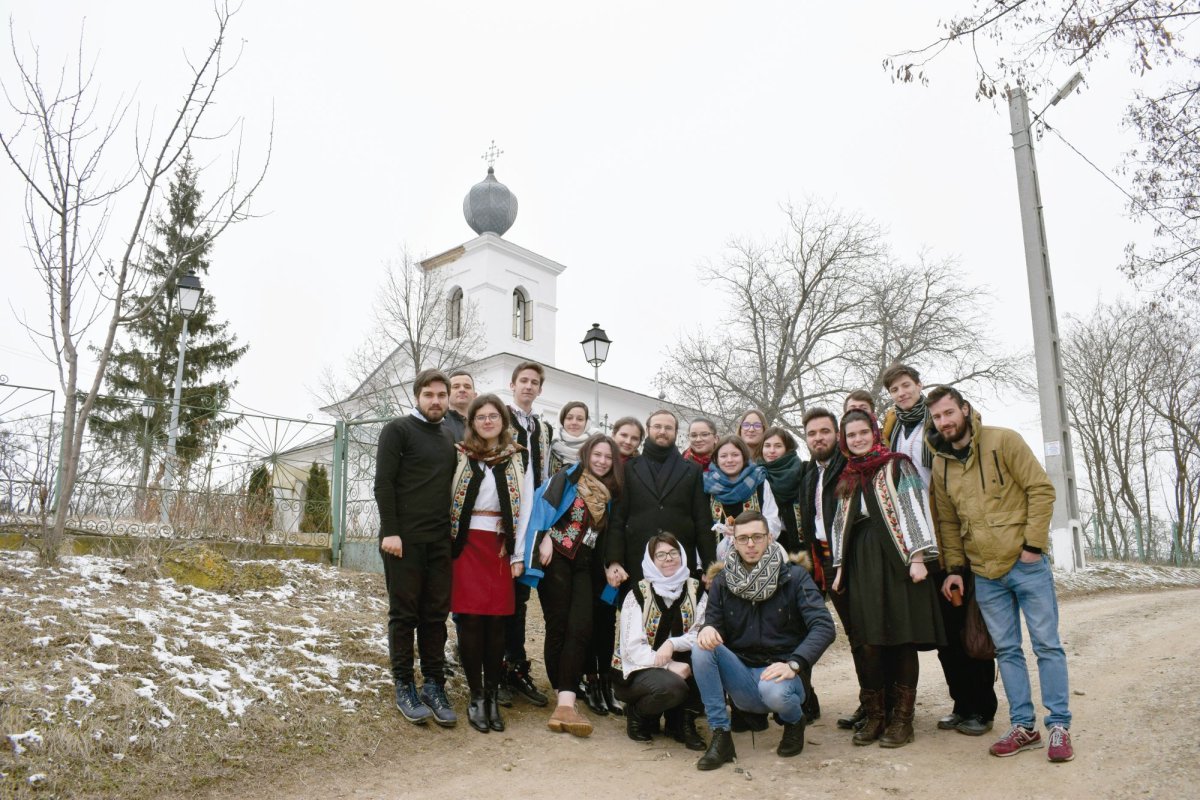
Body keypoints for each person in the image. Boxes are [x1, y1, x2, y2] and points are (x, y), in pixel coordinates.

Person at [929, 386, 1074, 763]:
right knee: (1007, 651)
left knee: (1046, 645)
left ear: (965, 409)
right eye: (937, 417)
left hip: (1025, 566)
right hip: (984, 573)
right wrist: (956, 570)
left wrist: (1033, 547)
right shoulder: (941, 463)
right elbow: (947, 521)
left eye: (948, 413)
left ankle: (1059, 726)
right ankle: (1024, 726)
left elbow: (1041, 490)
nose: (944, 422)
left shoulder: (1003, 441)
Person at [882, 364, 997, 737]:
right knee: (945, 633)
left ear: (918, 385)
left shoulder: (939, 424)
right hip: (918, 539)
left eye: (906, 385)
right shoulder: (894, 428)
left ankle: (982, 707)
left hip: (951, 532)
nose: (902, 393)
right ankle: (961, 704)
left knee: (967, 628)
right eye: (895, 389)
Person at [829, 410, 944, 748]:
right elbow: (840, 524)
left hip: (898, 558)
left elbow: (913, 506)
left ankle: (902, 721)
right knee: (869, 641)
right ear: (845, 440)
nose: (858, 439)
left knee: (902, 638)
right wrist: (839, 569)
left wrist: (918, 557)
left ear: (874, 433)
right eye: (851, 435)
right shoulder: (848, 475)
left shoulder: (897, 465)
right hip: (861, 560)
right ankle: (876, 715)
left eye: (863, 432)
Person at [692, 510, 836, 770]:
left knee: (773, 692)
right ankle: (721, 736)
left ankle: (794, 721)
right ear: (733, 541)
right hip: (742, 675)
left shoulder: (793, 577)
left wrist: (794, 664)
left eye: (757, 537)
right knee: (701, 649)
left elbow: (824, 626)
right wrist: (707, 629)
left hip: (782, 674)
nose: (750, 544)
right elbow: (713, 622)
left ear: (769, 538)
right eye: (743, 538)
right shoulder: (723, 581)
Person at [519, 434, 624, 737]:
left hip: (585, 564)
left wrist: (609, 565)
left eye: (608, 457)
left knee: (582, 626)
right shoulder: (566, 478)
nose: (602, 461)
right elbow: (541, 507)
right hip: (557, 557)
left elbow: (604, 537)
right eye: (598, 454)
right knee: (559, 625)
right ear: (587, 454)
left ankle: (565, 701)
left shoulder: (610, 493)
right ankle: (564, 698)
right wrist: (545, 538)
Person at [374, 368, 459, 728]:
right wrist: (391, 531)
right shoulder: (398, 430)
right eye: (430, 395)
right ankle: (405, 685)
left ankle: (434, 685)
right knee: (404, 614)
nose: (436, 401)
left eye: (442, 395)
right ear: (417, 397)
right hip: (403, 543)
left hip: (439, 542)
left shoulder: (447, 437)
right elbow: (384, 483)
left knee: (435, 617)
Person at [449, 395, 530, 733]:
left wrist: (518, 554)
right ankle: (476, 695)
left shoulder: (516, 459)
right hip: (466, 546)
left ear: (503, 420)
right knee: (469, 622)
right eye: (480, 416)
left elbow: (525, 509)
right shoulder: (460, 456)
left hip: (499, 547)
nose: (486, 421)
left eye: (493, 415)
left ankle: (493, 696)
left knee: (497, 624)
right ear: (472, 423)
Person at [611, 532, 706, 751]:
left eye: (674, 553)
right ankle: (639, 714)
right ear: (651, 561)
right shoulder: (637, 594)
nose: (669, 559)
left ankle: (681, 723)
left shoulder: (696, 590)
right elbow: (632, 649)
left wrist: (673, 644)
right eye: (660, 555)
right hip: (637, 672)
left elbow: (701, 631)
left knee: (707, 660)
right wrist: (668, 664)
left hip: (683, 666)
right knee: (672, 687)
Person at [799, 406, 863, 730]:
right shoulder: (811, 472)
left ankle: (880, 704)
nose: (818, 438)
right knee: (854, 634)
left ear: (836, 434)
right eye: (812, 433)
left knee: (868, 633)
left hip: (853, 559)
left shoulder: (848, 467)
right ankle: (870, 703)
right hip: (825, 560)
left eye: (824, 431)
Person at [607, 410, 715, 588]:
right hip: (637, 560)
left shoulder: (692, 470)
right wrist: (614, 560)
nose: (662, 431)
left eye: (668, 427)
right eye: (657, 426)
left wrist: (709, 564)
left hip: (679, 561)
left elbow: (702, 520)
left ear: (676, 432)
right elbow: (618, 518)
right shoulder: (628, 469)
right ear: (648, 430)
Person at [502, 361, 554, 708]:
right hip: (504, 515)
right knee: (499, 597)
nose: (529, 386)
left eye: (535, 382)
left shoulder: (543, 428)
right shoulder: (501, 419)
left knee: (520, 598)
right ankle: (497, 668)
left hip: (532, 518)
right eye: (523, 381)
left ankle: (516, 667)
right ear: (513, 384)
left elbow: (548, 470)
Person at [703, 435, 782, 561]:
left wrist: (748, 532)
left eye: (735, 455)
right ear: (716, 459)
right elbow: (701, 527)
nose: (729, 460)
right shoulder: (706, 485)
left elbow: (773, 521)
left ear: (744, 457)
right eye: (723, 456)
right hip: (719, 563)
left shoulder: (759, 481)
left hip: (758, 560)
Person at [761, 426, 805, 556]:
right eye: (767, 446)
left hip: (799, 544)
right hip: (767, 545)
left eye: (778, 446)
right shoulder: (757, 475)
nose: (771, 451)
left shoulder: (801, 471)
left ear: (787, 449)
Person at [550, 400, 592, 475]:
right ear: (562, 421)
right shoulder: (551, 447)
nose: (574, 422)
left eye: (580, 419)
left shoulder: (594, 449)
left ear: (586, 422)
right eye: (569, 418)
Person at [444, 370, 477, 443]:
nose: (462, 389)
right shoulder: (439, 423)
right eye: (456, 387)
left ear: (475, 395)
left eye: (467, 387)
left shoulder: (484, 423)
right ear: (447, 394)